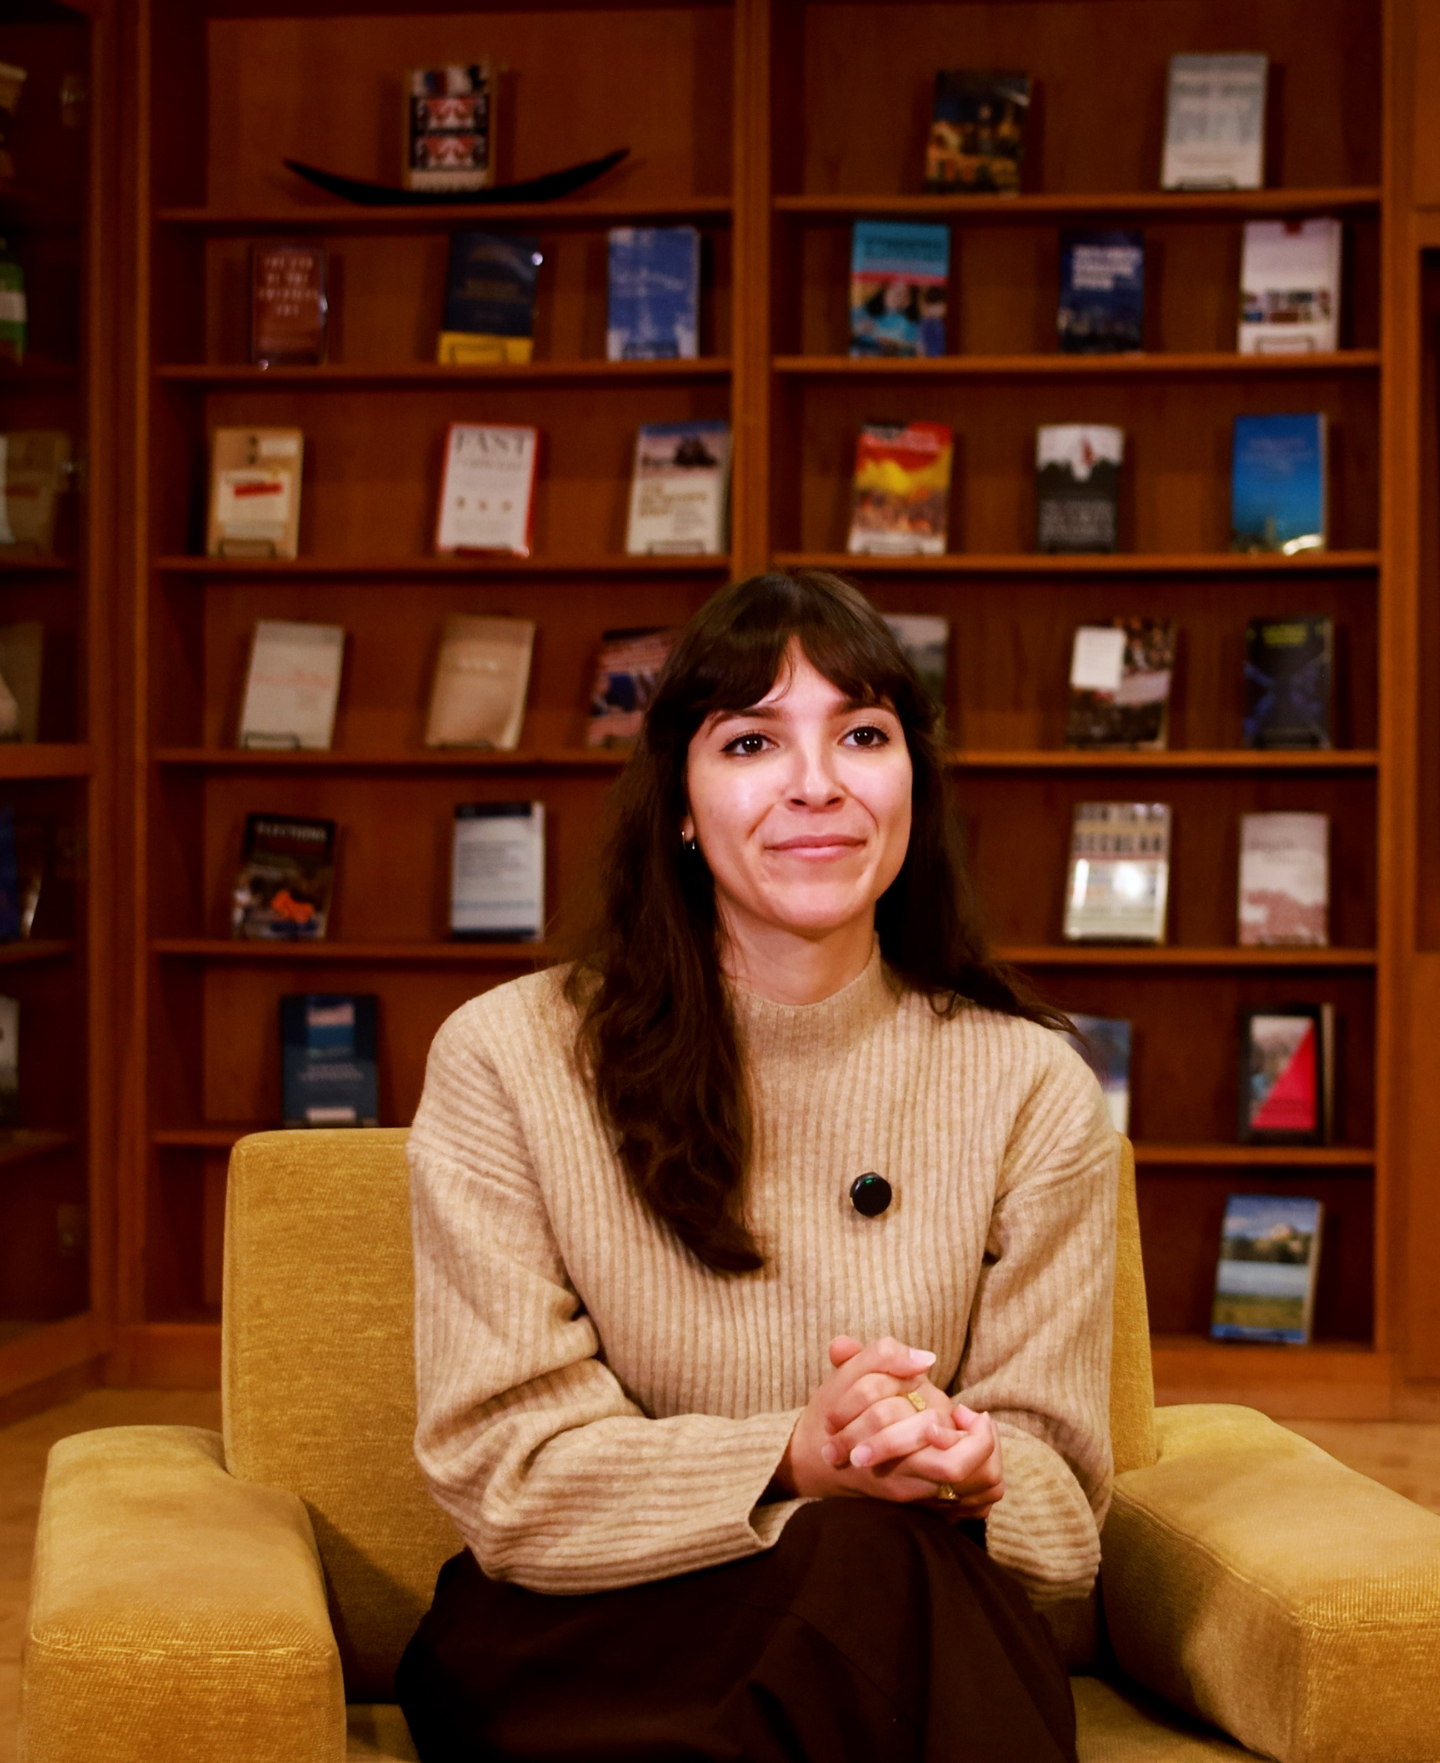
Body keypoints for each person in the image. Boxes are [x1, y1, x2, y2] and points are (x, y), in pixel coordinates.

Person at [398, 571, 1119, 1762]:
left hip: (894, 1619)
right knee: (863, 1558)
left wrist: (968, 1472)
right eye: (749, 741)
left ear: (911, 785)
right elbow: (506, 1474)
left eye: (862, 735)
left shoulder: (1028, 1087)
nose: (816, 785)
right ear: (681, 803)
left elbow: (1061, 1518)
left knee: (876, 1559)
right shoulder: (511, 1058)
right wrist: (798, 1457)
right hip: (586, 1636)